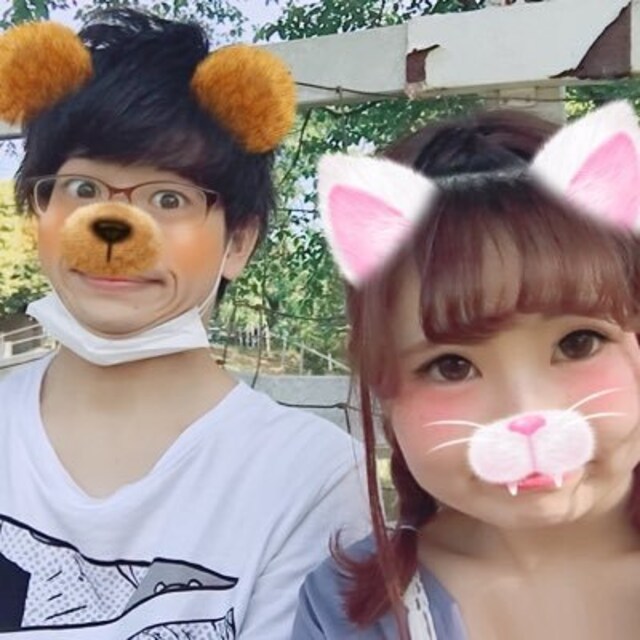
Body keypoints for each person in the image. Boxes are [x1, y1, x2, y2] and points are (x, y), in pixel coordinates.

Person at [0, 9, 367, 638]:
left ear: (239, 241)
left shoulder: (311, 479)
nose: (113, 227)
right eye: (82, 189)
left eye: (169, 198)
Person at [292, 101, 640, 639]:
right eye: (451, 366)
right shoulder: (347, 612)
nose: (526, 413)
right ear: (382, 386)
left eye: (578, 343)